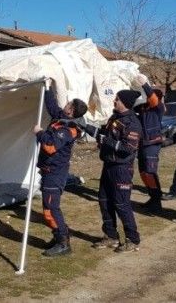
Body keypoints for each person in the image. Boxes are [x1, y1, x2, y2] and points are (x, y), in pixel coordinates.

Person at [83, 90, 143, 253]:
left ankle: (133, 240)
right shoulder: (114, 118)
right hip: (108, 166)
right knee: (104, 201)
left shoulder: (132, 123)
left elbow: (128, 148)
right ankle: (111, 236)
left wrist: (106, 141)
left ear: (125, 102)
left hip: (122, 169)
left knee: (121, 204)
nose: (114, 101)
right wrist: (82, 124)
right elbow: (101, 135)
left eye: (117, 99)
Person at [33, 81, 88, 257]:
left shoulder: (68, 129)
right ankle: (58, 237)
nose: (65, 104)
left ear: (71, 110)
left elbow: (50, 146)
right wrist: (47, 86)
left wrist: (39, 133)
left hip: (55, 174)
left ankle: (63, 242)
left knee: (50, 209)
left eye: (69, 103)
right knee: (49, 207)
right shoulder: (61, 118)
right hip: (49, 171)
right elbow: (52, 106)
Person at [133, 74, 165, 213]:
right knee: (143, 172)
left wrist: (145, 84)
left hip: (152, 144)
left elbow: (153, 98)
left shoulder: (158, 108)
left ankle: (157, 201)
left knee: (150, 172)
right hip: (142, 144)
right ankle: (152, 197)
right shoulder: (142, 108)